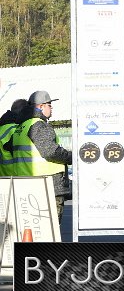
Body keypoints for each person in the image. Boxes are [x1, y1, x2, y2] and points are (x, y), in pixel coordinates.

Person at [12, 91, 72, 224]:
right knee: (51, 227)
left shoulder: (21, 126)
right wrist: (71, 157)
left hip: (30, 184)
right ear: (40, 106)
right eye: (49, 105)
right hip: (47, 185)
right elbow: (51, 152)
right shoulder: (38, 125)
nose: (51, 108)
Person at [0, 99, 28, 176]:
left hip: (3, 177)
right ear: (23, 112)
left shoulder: (2, 128)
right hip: (15, 177)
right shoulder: (17, 130)